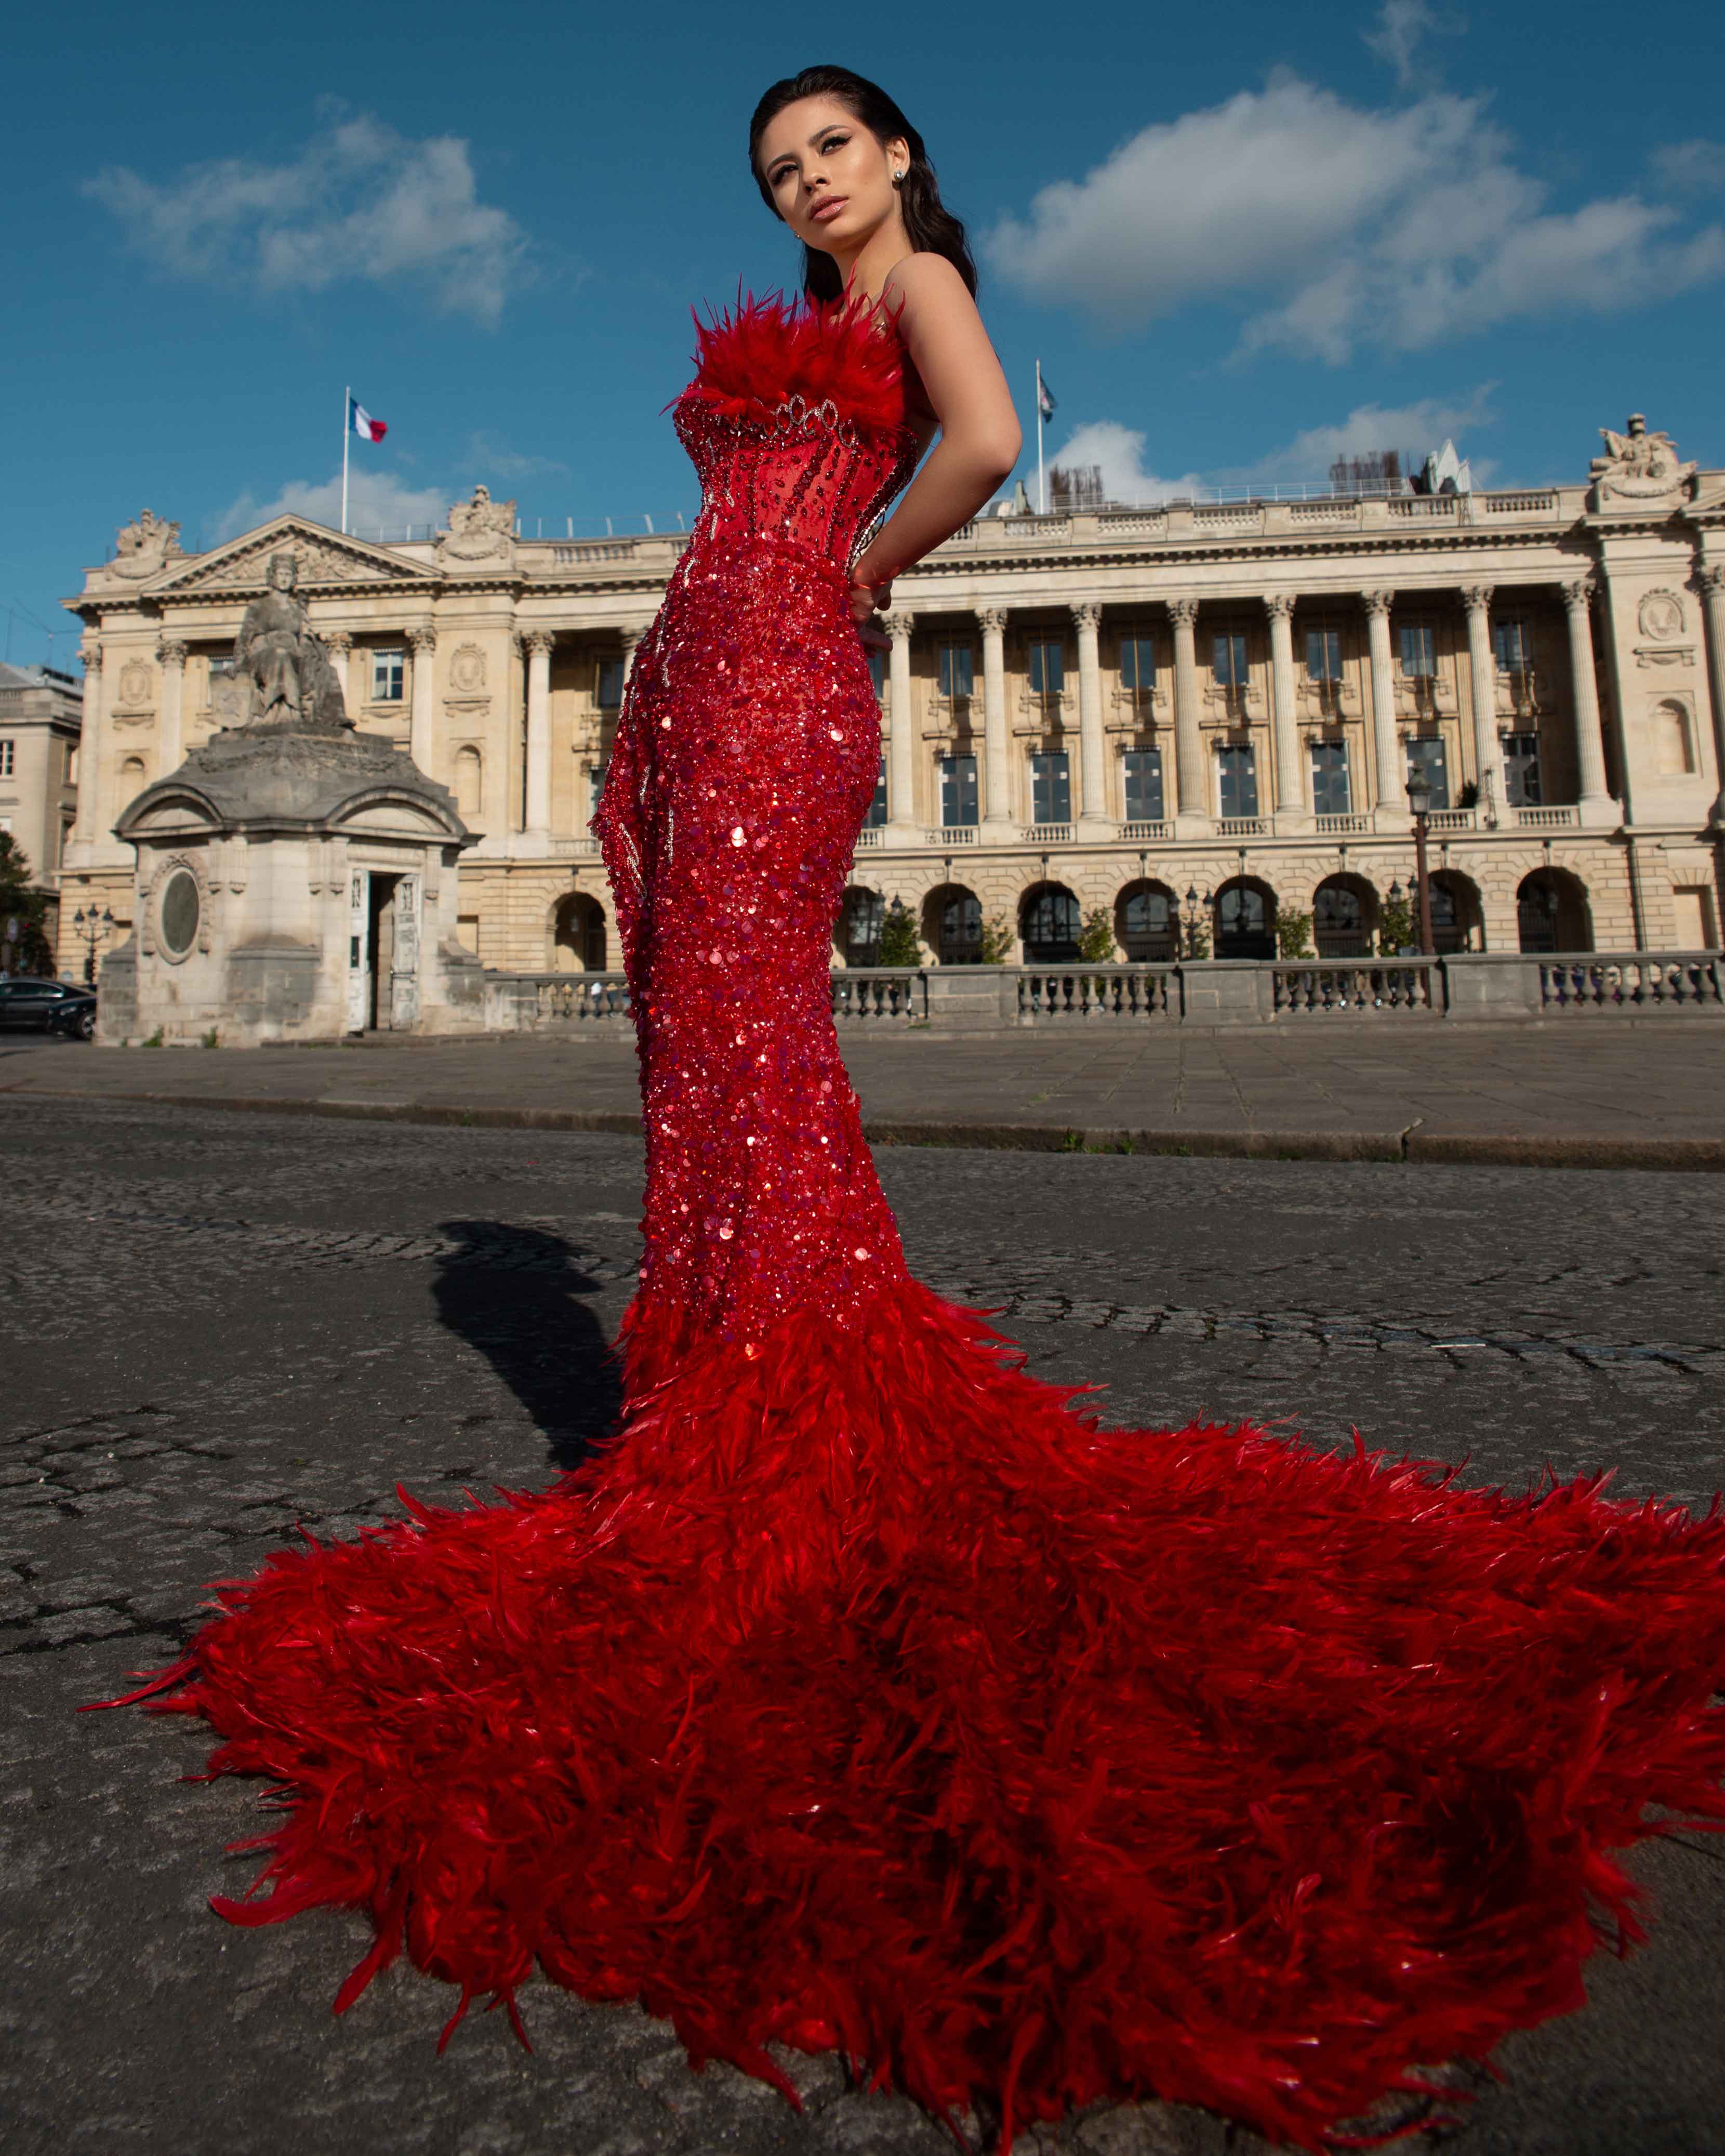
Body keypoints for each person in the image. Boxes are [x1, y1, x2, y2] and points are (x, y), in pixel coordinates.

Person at [113, 65, 1725, 2155]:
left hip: (784, 662)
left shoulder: (925, 292)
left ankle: (805, 1421)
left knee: (764, 1046)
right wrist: (707, 642)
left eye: (833, 148)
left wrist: (840, 579)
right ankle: (731, 1405)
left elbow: (976, 445)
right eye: (778, 164)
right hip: (698, 667)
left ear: (896, 160)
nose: (806, 178)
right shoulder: (794, 328)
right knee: (699, 1061)